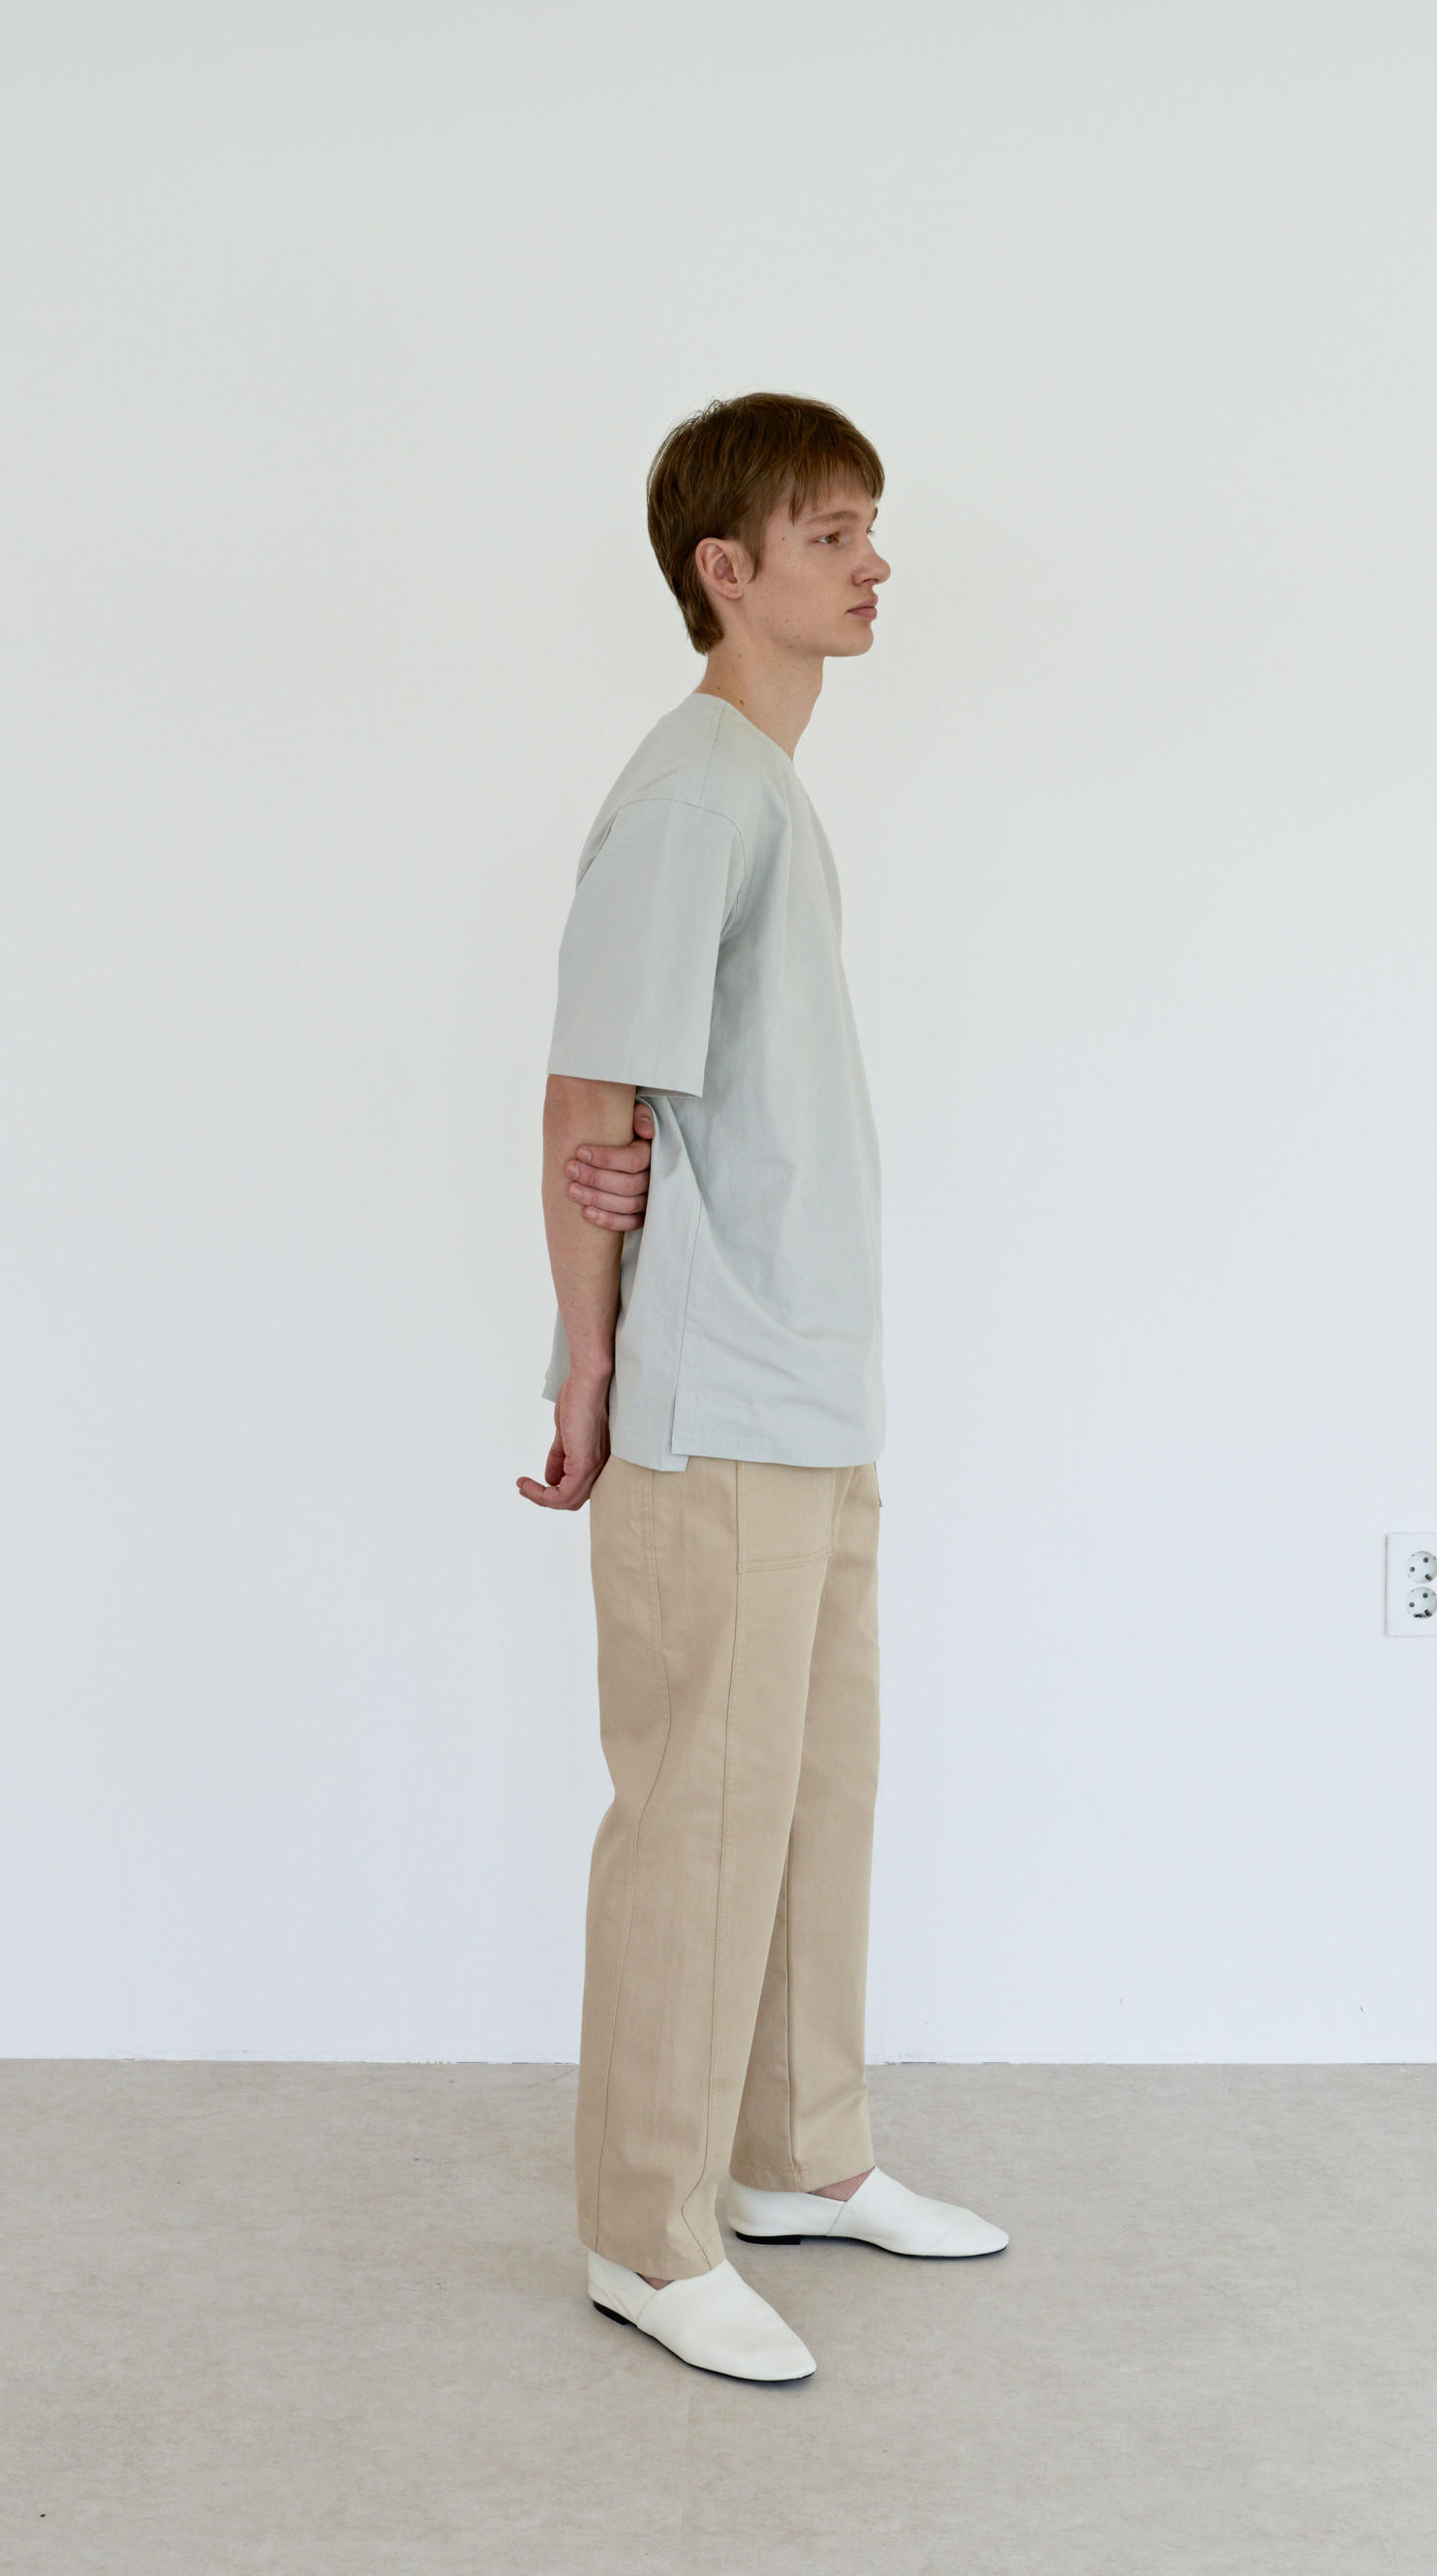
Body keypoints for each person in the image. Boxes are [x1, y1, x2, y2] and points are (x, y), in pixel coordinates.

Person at [518, 392, 1007, 2386]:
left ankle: (800, 2157)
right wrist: (587, 1368)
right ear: (727, 571)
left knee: (811, 1794)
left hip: (810, 1391)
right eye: (830, 533)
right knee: (699, 1817)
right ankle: (646, 2232)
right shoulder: (696, 793)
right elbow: (587, 1100)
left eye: (871, 526)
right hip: (711, 1404)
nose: (874, 563)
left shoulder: (765, 790)